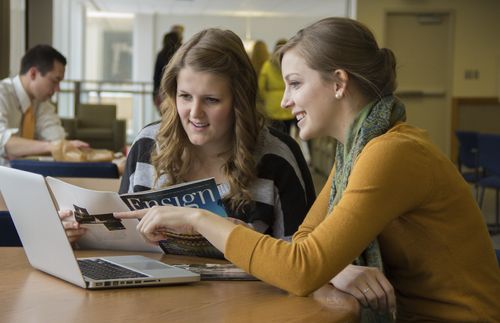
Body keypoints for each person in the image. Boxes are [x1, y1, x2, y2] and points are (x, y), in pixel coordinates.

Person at [116, 18, 500, 321]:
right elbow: (304, 246)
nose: (285, 102)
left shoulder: (391, 153)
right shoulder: (360, 150)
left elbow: (301, 269)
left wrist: (199, 218)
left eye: (295, 84)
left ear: (339, 83)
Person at [64, 28, 316, 257]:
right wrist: (76, 236)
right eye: (185, 96)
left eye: (211, 100)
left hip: (246, 302)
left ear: (239, 103)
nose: (194, 113)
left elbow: (303, 260)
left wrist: (243, 238)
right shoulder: (147, 145)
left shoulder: (278, 157)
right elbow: (123, 237)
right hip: (153, 298)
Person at [0, 44, 88, 166]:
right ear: (33, 74)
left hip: (24, 175)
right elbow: (4, 142)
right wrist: (50, 146)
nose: (58, 89)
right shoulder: (2, 94)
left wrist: (65, 147)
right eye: (54, 81)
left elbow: (56, 138)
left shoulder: (40, 102)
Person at [258, 39, 294, 134]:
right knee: (288, 134)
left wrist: (266, 98)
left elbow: (261, 86)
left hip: (272, 106)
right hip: (288, 105)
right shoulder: (291, 65)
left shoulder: (267, 65)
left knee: (274, 135)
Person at [153, 32, 182, 112]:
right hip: (177, 88)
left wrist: (154, 94)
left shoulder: (161, 55)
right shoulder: (180, 54)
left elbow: (156, 76)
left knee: (166, 113)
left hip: (163, 89)